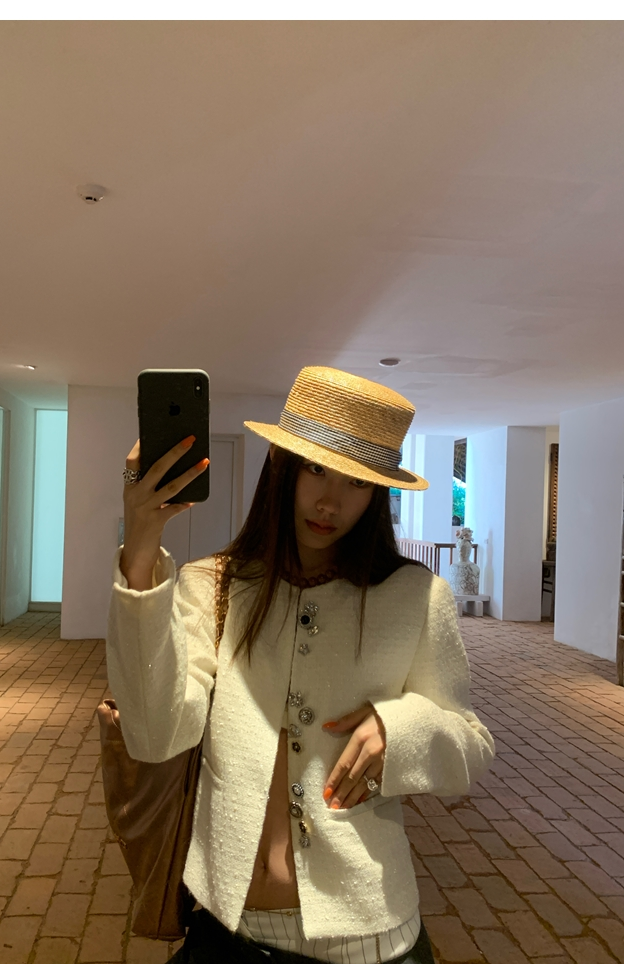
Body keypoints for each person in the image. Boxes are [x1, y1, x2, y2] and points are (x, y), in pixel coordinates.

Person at [107, 367, 495, 964]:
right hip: (227, 930)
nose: (330, 502)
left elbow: (471, 746)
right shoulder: (212, 585)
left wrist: (400, 730)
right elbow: (154, 735)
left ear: (378, 494)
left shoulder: (415, 598)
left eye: (357, 483)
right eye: (315, 469)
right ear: (280, 464)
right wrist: (139, 552)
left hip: (369, 940)